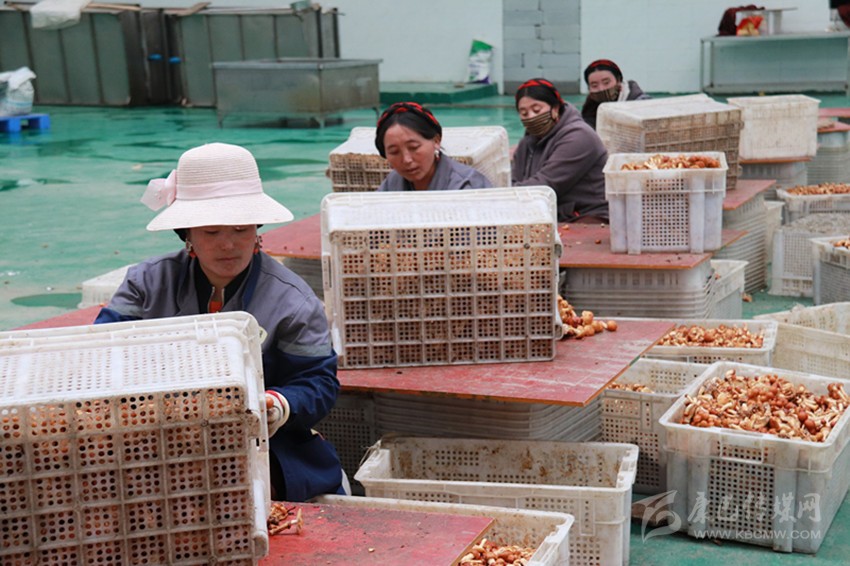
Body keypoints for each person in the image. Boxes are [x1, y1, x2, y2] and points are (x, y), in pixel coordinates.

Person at [94, 142, 346, 502]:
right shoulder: (145, 284)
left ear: (257, 230)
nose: (228, 245)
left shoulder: (293, 301)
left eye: (241, 229)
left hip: (260, 442)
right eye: (211, 232)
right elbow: (101, 355)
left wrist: (277, 404)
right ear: (187, 234)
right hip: (153, 438)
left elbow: (318, 382)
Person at [512, 78, 609, 223]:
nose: (531, 117)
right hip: (552, 214)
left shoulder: (579, 137)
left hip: (588, 215)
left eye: (537, 110)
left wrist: (505, 195)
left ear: (555, 108)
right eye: (524, 113)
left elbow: (546, 184)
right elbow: (514, 179)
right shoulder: (527, 143)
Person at [375, 101, 493, 191]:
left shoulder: (468, 187)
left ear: (436, 141)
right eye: (394, 152)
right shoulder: (392, 184)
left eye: (414, 147)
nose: (406, 160)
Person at [581, 59, 650, 130]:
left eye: (606, 82)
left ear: (619, 80)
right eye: (594, 85)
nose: (601, 89)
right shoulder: (589, 110)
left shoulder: (642, 105)